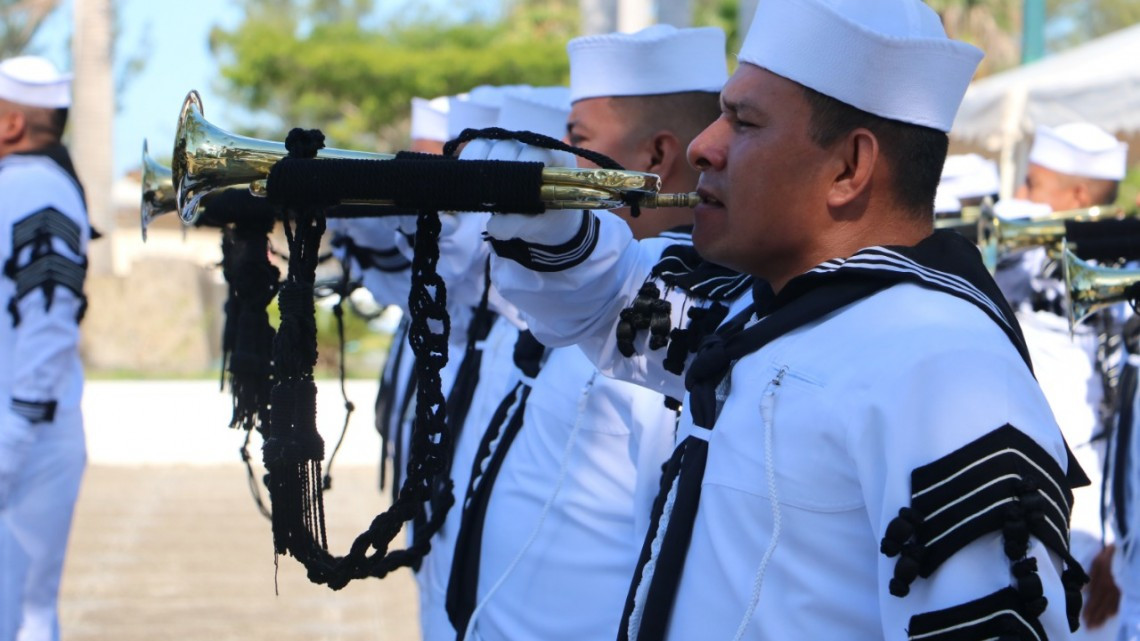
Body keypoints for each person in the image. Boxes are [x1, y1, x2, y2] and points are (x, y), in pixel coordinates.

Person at [474, 0, 1090, 637]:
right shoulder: (758, 306)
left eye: (742, 122)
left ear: (849, 168)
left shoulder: (942, 363)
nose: (703, 147)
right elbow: (599, 301)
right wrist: (538, 207)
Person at [445, 25, 735, 641]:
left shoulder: (679, 311)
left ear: (656, 157)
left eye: (574, 142)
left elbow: (660, 547)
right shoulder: (582, 279)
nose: (561, 161)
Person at [1010, 122, 1130, 640]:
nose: (1019, 195)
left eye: (1033, 184)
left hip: (1095, 498)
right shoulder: (1025, 260)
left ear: (1079, 196)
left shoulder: (1125, 265)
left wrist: (1120, 539)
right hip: (1035, 482)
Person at [0, 56, 89, 641]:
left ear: (10, 124)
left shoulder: (31, 186)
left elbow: (50, 319)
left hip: (22, 433)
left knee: (21, 614)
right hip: (23, 428)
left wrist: (12, 433)